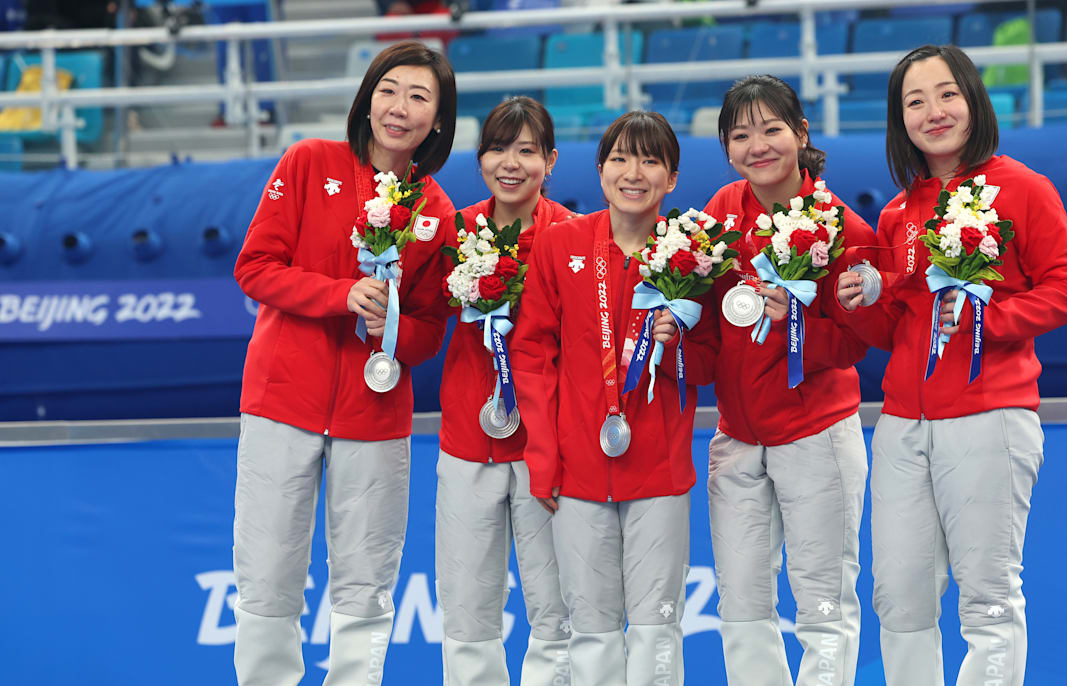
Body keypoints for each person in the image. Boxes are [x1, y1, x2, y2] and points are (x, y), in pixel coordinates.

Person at [834, 44, 1067, 686]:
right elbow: (897, 332)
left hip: (989, 416)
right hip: (901, 426)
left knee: (988, 598)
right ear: (900, 121)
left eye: (946, 93)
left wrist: (991, 322)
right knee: (899, 598)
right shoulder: (898, 213)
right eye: (914, 101)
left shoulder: (1023, 188)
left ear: (973, 99)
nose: (933, 111)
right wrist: (860, 303)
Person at [230, 40, 457, 686]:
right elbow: (254, 267)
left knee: (366, 577)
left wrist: (396, 328)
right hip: (282, 401)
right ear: (367, 97)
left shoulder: (435, 210)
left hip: (375, 412)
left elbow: (429, 334)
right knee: (268, 569)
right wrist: (340, 296)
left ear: (437, 120)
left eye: (419, 97)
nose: (399, 107)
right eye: (389, 90)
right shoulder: (308, 162)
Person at [511, 110, 716, 686]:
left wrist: (676, 347)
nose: (634, 172)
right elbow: (532, 355)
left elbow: (710, 363)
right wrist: (544, 457)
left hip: (659, 470)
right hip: (577, 471)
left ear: (671, 178)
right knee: (592, 630)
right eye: (621, 158)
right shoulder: (560, 244)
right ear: (600, 169)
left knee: (656, 630)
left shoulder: (692, 254)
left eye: (651, 161)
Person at [700, 74, 875, 686]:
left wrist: (796, 326)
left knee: (823, 605)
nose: (759, 146)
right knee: (741, 606)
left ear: (801, 134)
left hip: (815, 435)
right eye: (741, 135)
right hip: (738, 438)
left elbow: (859, 340)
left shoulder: (846, 230)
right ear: (726, 147)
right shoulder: (722, 212)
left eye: (772, 129)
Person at [435, 95, 575, 686]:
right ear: (479, 157)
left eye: (526, 150)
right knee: (467, 613)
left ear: (551, 158)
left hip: (545, 448)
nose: (510, 163)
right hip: (468, 442)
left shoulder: (572, 235)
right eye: (497, 148)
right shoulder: (455, 229)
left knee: (556, 611)